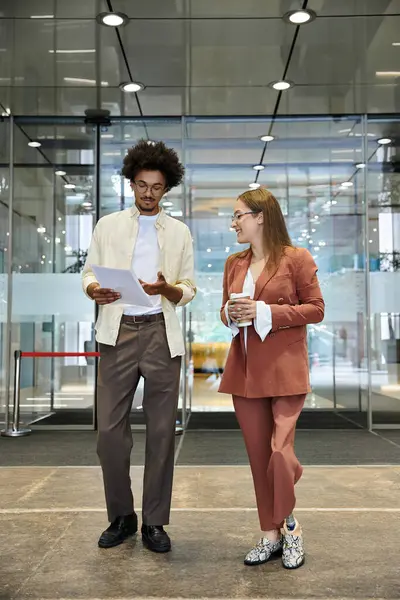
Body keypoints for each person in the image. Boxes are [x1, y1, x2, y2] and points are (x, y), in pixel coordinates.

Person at [82, 140, 196, 553]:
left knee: (162, 432)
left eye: (157, 187)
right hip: (117, 332)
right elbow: (89, 273)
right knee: (109, 434)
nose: (149, 194)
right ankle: (122, 515)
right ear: (131, 183)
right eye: (143, 185)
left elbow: (189, 288)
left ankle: (154, 521)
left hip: (161, 333)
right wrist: (93, 288)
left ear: (167, 189)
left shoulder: (179, 232)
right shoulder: (108, 225)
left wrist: (169, 288)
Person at [219, 187, 324, 569]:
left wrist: (265, 312)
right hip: (245, 371)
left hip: (285, 368)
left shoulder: (297, 259)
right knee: (258, 457)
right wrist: (232, 314)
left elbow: (316, 309)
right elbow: (224, 312)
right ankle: (270, 534)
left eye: (238, 215)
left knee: (280, 455)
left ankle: (291, 527)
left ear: (260, 216)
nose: (234, 223)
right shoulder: (234, 263)